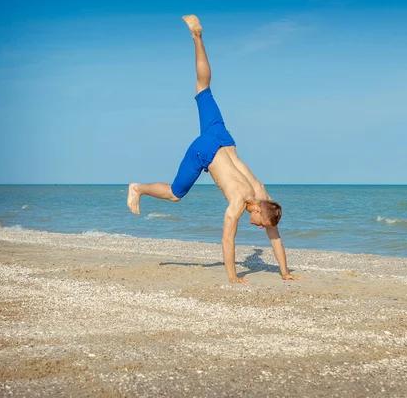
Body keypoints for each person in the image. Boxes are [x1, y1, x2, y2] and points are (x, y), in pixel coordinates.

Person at [127, 15, 300, 284]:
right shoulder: (240, 200)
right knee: (174, 194)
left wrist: (285, 272)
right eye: (259, 223)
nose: (257, 227)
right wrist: (233, 276)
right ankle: (138, 188)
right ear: (258, 211)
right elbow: (227, 238)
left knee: (203, 87)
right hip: (206, 150)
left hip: (223, 139)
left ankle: (197, 37)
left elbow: (275, 236)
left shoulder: (263, 195)